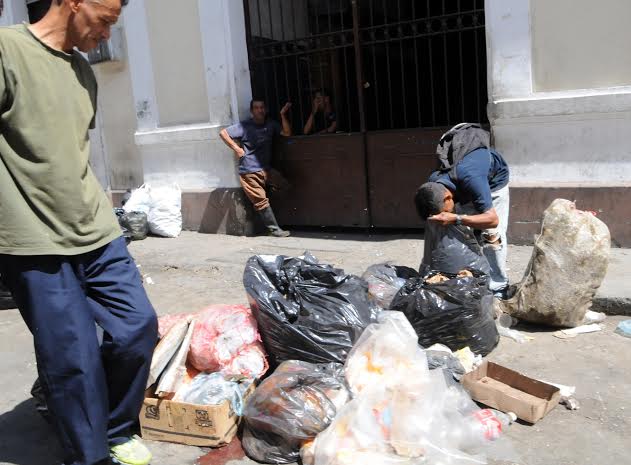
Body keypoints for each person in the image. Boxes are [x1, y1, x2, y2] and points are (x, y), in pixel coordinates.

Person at [0, 2, 158, 465]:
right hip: (33, 236)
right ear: (72, 2)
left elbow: (71, 152)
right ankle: (90, 455)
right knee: (73, 357)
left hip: (97, 228)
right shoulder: (8, 51)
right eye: (106, 18)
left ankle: (113, 425)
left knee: (136, 327)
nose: (108, 32)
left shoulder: (81, 72)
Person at [414, 123, 510, 297]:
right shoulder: (434, 183)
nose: (445, 214)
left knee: (490, 236)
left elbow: (492, 219)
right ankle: (471, 276)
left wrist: (456, 218)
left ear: (448, 198)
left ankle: (499, 286)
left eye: (444, 210)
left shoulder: (471, 178)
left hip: (494, 183)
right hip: (463, 187)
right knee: (464, 232)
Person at [219, 98, 293, 237]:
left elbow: (287, 133)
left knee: (284, 185)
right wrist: (237, 148)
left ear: (265, 110)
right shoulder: (245, 126)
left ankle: (277, 221)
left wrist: (282, 114)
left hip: (266, 169)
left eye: (262, 107)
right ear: (252, 111)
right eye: (256, 108)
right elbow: (223, 133)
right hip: (249, 170)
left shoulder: (271, 124)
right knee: (261, 200)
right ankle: (274, 230)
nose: (260, 110)